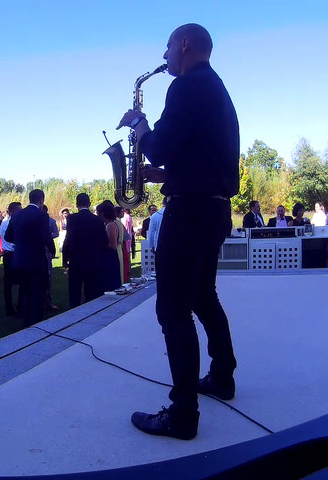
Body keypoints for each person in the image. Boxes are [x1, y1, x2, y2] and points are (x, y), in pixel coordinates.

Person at [116, 23, 239, 440]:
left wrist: (140, 123)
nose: (165, 55)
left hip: (189, 213)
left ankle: (183, 412)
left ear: (184, 45)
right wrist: (164, 174)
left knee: (172, 310)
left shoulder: (186, 86)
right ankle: (223, 376)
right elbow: (202, 157)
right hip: (214, 208)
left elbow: (162, 143)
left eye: (168, 46)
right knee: (203, 296)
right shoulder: (215, 88)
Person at [5, 190, 55, 326]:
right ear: (41, 201)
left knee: (24, 291)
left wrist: (22, 243)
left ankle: (25, 319)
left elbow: (7, 236)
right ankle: (36, 322)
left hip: (20, 259)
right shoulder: (41, 215)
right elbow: (46, 237)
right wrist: (52, 250)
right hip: (37, 260)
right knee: (38, 292)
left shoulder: (16, 215)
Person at [62, 193, 108, 307]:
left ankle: (74, 313)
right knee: (91, 290)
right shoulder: (97, 220)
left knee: (74, 291)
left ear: (77, 204)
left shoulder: (71, 218)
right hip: (92, 260)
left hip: (76, 260)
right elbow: (104, 240)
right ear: (89, 203)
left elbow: (68, 239)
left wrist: (65, 259)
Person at [0, 202, 22, 316]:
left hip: (7, 254)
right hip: (14, 254)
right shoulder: (13, 224)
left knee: (8, 283)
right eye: (19, 210)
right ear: (12, 211)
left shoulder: (4, 224)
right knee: (19, 281)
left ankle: (10, 308)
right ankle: (18, 306)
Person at [97, 201, 123, 292]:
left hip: (110, 258)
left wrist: (99, 244)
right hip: (107, 258)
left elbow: (113, 245)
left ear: (103, 214)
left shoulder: (110, 225)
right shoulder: (107, 224)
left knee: (111, 285)